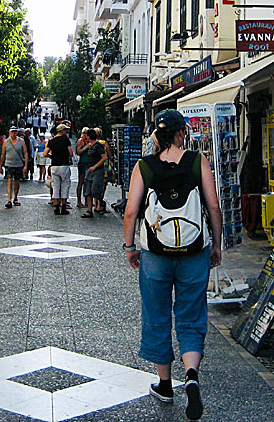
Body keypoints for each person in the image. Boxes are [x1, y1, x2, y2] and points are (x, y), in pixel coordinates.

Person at [122, 109, 222, 421]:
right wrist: (216, 244)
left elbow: (130, 211)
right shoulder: (196, 161)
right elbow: (214, 206)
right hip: (194, 251)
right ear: (182, 133)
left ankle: (165, 384)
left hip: (155, 253)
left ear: (155, 134)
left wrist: (129, 248)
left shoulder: (144, 166)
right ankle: (191, 375)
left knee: (157, 314)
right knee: (191, 315)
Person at [44, 123, 74, 215]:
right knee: (65, 185)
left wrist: (52, 156)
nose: (67, 132)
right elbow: (71, 153)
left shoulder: (52, 141)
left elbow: (45, 154)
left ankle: (56, 207)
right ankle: (63, 207)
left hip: (54, 166)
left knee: (55, 186)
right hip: (64, 165)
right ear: (62, 131)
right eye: (65, 130)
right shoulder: (66, 140)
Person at [80, 128, 107, 218]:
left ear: (89, 136)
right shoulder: (90, 145)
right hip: (89, 170)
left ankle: (101, 205)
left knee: (96, 191)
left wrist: (95, 167)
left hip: (97, 171)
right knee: (87, 190)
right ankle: (89, 210)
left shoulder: (98, 145)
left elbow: (104, 158)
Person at [0, 126, 28, 208]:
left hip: (18, 164)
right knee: (9, 181)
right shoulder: (6, 142)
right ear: (9, 132)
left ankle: (15, 197)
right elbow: (3, 154)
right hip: (9, 164)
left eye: (15, 132)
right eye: (12, 132)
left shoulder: (21, 141)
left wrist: (26, 165)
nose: (13, 133)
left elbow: (25, 152)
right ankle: (9, 200)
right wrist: (0, 166)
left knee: (16, 181)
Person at [94, 127, 110, 214]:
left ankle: (96, 204)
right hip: (104, 164)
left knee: (96, 184)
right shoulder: (104, 143)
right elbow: (109, 154)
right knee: (103, 185)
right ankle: (100, 202)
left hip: (95, 164)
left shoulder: (92, 143)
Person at [75, 127, 90, 208]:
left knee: (88, 182)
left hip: (89, 163)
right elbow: (78, 152)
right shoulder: (81, 140)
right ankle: (79, 201)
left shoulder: (89, 141)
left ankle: (87, 201)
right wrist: (85, 147)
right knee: (81, 182)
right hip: (83, 163)